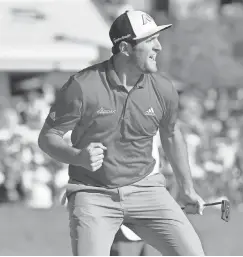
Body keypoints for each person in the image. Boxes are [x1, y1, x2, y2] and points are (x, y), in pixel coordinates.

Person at [38, 10, 205, 256]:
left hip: (147, 189)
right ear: (125, 48)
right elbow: (47, 137)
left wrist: (187, 188)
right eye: (150, 40)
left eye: (157, 39)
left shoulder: (163, 89)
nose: (158, 47)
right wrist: (78, 157)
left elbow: (171, 135)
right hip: (92, 194)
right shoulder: (82, 87)